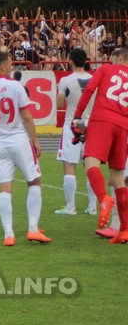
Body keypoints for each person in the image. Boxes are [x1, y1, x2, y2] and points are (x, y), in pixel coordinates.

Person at [0, 51, 52, 246]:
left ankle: (8, 233)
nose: (13, 66)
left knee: (5, 189)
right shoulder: (15, 86)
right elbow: (26, 117)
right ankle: (33, 229)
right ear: (3, 66)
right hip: (19, 141)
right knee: (34, 182)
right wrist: (36, 141)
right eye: (11, 63)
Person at [72, 47, 128, 243]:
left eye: (113, 57)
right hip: (123, 125)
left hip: (102, 119)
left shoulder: (105, 69)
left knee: (90, 163)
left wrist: (78, 116)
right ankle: (124, 229)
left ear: (120, 57)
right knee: (118, 176)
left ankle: (104, 199)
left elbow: (89, 90)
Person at [54, 47, 97, 216]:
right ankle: (92, 207)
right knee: (90, 165)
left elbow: (59, 105)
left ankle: (70, 207)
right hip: (91, 123)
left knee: (69, 165)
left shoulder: (66, 80)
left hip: (73, 123)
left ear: (70, 60)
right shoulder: (93, 79)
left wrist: (60, 93)